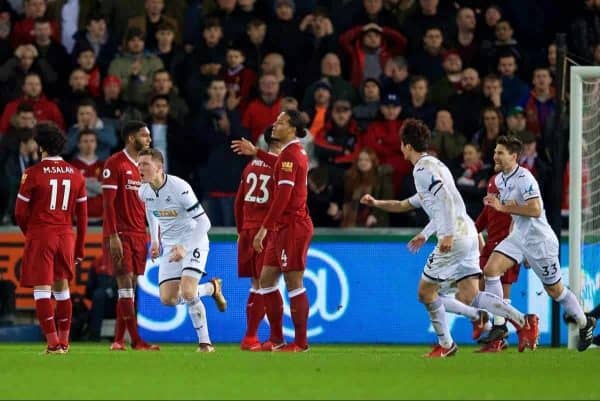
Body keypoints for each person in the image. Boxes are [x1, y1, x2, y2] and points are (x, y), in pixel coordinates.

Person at [360, 119, 539, 357]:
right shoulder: (435, 165)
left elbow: (444, 198)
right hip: (468, 233)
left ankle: (446, 345)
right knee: (470, 295)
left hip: (454, 236)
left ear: (407, 146)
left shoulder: (422, 170)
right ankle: (522, 320)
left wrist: (445, 234)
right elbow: (407, 204)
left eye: (402, 145)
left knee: (425, 292)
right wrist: (377, 203)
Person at [482, 135, 597, 352]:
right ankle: (500, 325)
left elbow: (535, 209)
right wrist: (511, 230)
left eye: (500, 153)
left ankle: (585, 322)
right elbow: (516, 213)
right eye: (495, 151)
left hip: (540, 242)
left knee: (555, 290)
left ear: (513, 156)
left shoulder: (525, 178)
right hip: (518, 237)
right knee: (490, 270)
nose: (494, 156)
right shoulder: (499, 180)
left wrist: (503, 208)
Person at [231, 109, 314, 352]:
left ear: (292, 129)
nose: (275, 125)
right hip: (281, 227)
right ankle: (277, 339)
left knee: (294, 282)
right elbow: (278, 165)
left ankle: (300, 343)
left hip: (292, 226)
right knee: (266, 280)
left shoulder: (291, 155)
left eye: (281, 123)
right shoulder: (290, 154)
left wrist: (263, 229)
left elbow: (283, 198)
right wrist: (256, 152)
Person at [138, 148, 226, 353]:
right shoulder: (143, 190)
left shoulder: (179, 187)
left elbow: (205, 222)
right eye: (139, 164)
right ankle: (211, 288)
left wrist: (185, 248)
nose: (140, 168)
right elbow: (151, 212)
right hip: (169, 246)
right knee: (168, 299)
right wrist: (155, 241)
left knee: (187, 292)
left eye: (145, 165)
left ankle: (205, 344)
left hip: (193, 240)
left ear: (159, 167)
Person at [14, 123, 88, 353]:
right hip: (66, 235)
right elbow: (82, 217)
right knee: (63, 288)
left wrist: (32, 234)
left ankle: (53, 343)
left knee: (42, 289)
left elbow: (19, 212)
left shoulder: (32, 173)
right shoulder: (76, 174)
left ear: (41, 146)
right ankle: (64, 343)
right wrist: (79, 248)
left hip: (42, 233)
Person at [101, 120, 158, 351]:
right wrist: (112, 235)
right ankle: (136, 340)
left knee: (130, 287)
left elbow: (150, 205)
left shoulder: (146, 166)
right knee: (125, 285)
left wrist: (153, 236)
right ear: (131, 138)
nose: (149, 140)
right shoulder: (115, 163)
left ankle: (117, 341)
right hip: (120, 233)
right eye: (145, 136)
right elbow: (108, 204)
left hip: (138, 233)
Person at [234, 125, 283, 350]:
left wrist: (239, 230)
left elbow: (238, 201)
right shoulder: (281, 168)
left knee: (256, 285)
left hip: (247, 229)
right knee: (268, 284)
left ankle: (250, 337)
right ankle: (259, 337)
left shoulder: (250, 166)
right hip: (267, 231)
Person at [474, 174, 521, 352]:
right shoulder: (489, 209)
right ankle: (498, 328)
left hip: (506, 253)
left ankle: (500, 336)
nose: (489, 195)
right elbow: (476, 226)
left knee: (502, 296)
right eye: (489, 192)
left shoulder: (514, 209)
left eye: (493, 193)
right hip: (488, 252)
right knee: (477, 292)